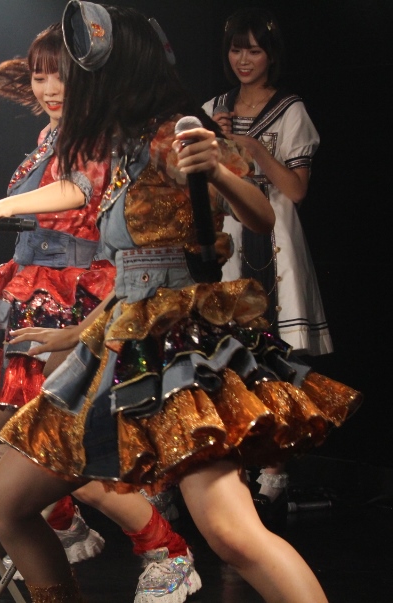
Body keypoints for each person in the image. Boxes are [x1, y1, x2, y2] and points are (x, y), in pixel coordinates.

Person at [0, 3, 361, 602]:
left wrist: (219, 172)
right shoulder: (118, 148)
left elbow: (259, 215)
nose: (72, 86)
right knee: (3, 501)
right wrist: (73, 333)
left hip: (177, 356)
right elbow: (131, 272)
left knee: (232, 534)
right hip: (117, 347)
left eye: (84, 72)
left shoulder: (173, 136)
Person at [0, 24, 202, 601]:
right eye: (39, 77)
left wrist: (1, 205)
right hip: (25, 294)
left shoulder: (102, 134)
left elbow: (77, 190)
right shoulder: (49, 134)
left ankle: (162, 545)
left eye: (60, 76)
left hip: (74, 297)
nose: (49, 88)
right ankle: (61, 522)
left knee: (63, 452)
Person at [203, 7, 330, 519]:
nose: (244, 59)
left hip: (276, 243)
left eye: (254, 50)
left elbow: (296, 190)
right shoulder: (213, 108)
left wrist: (253, 147)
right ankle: (234, 469)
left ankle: (275, 472)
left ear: (270, 55)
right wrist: (215, 147)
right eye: (237, 49)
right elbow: (202, 197)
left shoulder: (290, 110)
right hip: (229, 243)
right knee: (230, 360)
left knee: (278, 359)